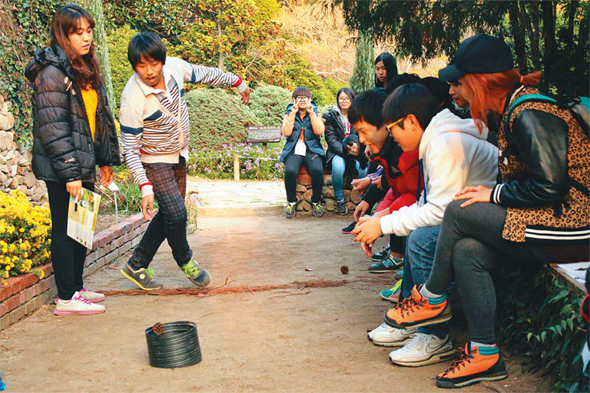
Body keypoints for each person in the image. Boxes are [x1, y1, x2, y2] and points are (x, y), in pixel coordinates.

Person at [383, 34, 589, 388]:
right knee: (467, 251)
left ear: (479, 82)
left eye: (457, 83)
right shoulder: (513, 109)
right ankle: (484, 354)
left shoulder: (529, 113)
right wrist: (493, 193)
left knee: (459, 210)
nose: (452, 93)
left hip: (575, 224)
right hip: (552, 221)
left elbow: (550, 187)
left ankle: (431, 298)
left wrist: (494, 194)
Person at [353, 83, 498, 368]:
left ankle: (433, 333)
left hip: (488, 219)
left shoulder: (443, 145)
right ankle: (411, 319)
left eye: (393, 128)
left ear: (410, 121)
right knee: (415, 234)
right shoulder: (435, 140)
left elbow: (440, 212)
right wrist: (381, 219)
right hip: (473, 216)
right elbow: (428, 201)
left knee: (421, 238)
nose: (392, 135)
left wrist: (383, 226)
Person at [119, 32, 250, 290]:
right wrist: (144, 186)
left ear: (162, 61)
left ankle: (136, 264)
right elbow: (130, 149)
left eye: (153, 63)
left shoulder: (175, 69)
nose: (148, 71)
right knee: (178, 213)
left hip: (178, 155)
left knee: (170, 214)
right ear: (134, 66)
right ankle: (186, 260)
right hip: (152, 159)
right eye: (141, 65)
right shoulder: (132, 98)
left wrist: (237, 82)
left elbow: (207, 73)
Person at [25, 4, 121, 315]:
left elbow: (98, 119)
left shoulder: (84, 68)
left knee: (81, 227)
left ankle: (76, 287)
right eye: (77, 32)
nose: (86, 38)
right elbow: (53, 127)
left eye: (89, 31)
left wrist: (104, 160)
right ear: (62, 34)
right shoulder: (53, 72)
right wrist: (70, 173)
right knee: (65, 229)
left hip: (84, 162)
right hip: (63, 168)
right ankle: (65, 297)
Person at [348, 90, 420, 273]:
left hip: (425, 216)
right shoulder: (387, 152)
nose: (362, 140)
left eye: (364, 132)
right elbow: (396, 190)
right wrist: (376, 217)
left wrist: (379, 221)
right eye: (358, 133)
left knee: (419, 239)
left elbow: (416, 197)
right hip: (411, 211)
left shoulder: (405, 150)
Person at [280, 87, 326, 219]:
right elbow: (286, 132)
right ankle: (291, 201)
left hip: (312, 149)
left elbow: (319, 131)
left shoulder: (316, 113)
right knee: (290, 170)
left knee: (317, 170)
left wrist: (311, 113)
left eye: (305, 97)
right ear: (294, 100)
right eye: (299, 97)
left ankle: (316, 201)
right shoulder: (289, 114)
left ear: (310, 100)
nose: (302, 100)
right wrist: (293, 114)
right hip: (294, 149)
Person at [323, 88, 368, 215]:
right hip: (338, 151)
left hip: (356, 150)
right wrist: (346, 151)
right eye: (341, 98)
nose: (344, 101)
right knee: (338, 167)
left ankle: (362, 197)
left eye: (347, 98)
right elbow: (330, 138)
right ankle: (339, 199)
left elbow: (362, 133)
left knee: (363, 167)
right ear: (337, 100)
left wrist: (357, 148)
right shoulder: (331, 116)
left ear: (352, 100)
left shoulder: (358, 115)